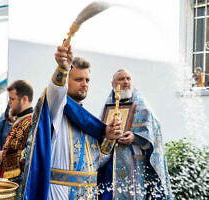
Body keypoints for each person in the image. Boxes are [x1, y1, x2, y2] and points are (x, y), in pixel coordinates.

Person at [21, 46, 109, 199]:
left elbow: (98, 162)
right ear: (67, 81)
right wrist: (62, 69)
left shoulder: (89, 122)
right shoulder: (57, 112)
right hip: (58, 193)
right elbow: (56, 92)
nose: (84, 84)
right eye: (78, 79)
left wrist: (111, 139)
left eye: (87, 80)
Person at [98, 69, 172, 199]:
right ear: (113, 84)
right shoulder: (107, 107)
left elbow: (154, 134)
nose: (125, 82)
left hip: (135, 163)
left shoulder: (143, 107)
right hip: (112, 163)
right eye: (121, 79)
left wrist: (135, 137)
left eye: (128, 78)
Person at [0, 80, 33, 183]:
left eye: (12, 99)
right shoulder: (20, 119)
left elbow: (30, 154)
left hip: (21, 184)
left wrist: (4, 156)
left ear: (24, 99)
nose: (9, 102)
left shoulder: (33, 122)